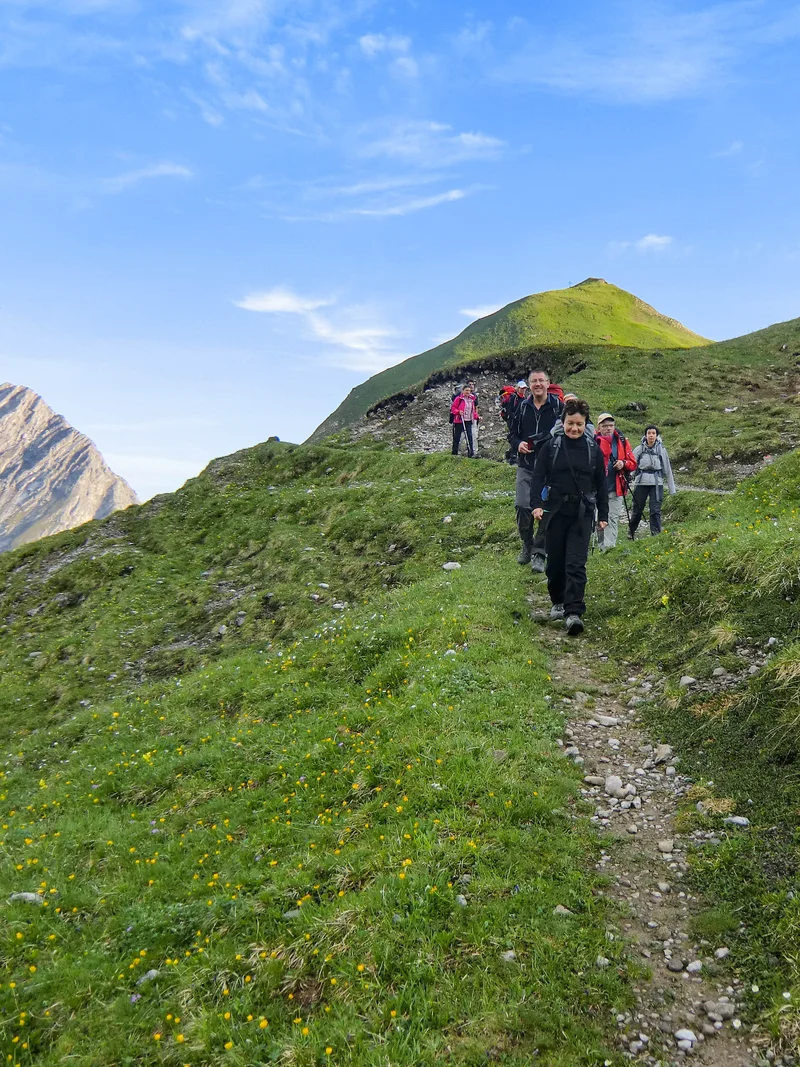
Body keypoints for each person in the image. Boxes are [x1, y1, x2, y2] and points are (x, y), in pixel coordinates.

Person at [531, 398, 608, 635]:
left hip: (581, 514)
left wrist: (602, 515)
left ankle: (574, 612)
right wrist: (536, 505)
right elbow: (538, 477)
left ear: (586, 425)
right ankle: (558, 601)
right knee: (555, 564)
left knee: (576, 564)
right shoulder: (551, 447)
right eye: (570, 423)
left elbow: (601, 484)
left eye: (579, 424)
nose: (574, 428)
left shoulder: (593, 450)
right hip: (554, 512)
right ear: (563, 422)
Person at [510, 369, 563, 571]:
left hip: (552, 467)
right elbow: (512, 434)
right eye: (534, 381)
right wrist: (518, 444)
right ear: (529, 385)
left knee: (546, 509)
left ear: (548, 383)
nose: (538, 384)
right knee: (523, 506)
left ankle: (540, 553)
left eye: (541, 380)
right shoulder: (522, 407)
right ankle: (527, 544)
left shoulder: (559, 406)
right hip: (527, 465)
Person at [595, 413, 637, 550]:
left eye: (611, 425)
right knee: (599, 520)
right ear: (599, 427)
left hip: (616, 488)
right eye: (605, 425)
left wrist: (623, 463)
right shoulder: (593, 440)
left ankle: (609, 548)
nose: (608, 428)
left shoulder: (622, 441)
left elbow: (633, 463)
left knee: (611, 518)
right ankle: (601, 546)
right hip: (597, 490)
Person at [629, 425, 676, 537]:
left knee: (655, 509)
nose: (651, 435)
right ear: (645, 435)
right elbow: (632, 465)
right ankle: (631, 531)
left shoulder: (661, 450)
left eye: (653, 433)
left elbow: (667, 469)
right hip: (641, 482)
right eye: (649, 433)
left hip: (656, 483)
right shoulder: (639, 449)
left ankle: (655, 534)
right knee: (637, 508)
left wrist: (671, 488)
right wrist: (628, 479)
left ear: (656, 435)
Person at [500, 380, 527, 465]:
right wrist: (514, 417)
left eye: (525, 388)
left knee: (519, 436)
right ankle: (513, 457)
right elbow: (509, 410)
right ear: (518, 388)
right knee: (514, 436)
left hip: (520, 421)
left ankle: (510, 454)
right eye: (522, 388)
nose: (523, 390)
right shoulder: (513, 397)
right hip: (512, 420)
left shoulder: (523, 398)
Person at [450, 384, 479, 457]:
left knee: (469, 436)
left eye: (469, 390)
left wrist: (476, 417)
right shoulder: (459, 399)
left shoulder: (472, 399)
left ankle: (471, 452)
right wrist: (458, 412)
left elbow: (473, 410)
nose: (468, 392)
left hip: (468, 420)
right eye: (466, 390)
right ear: (463, 391)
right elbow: (453, 408)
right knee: (457, 437)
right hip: (459, 420)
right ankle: (455, 452)